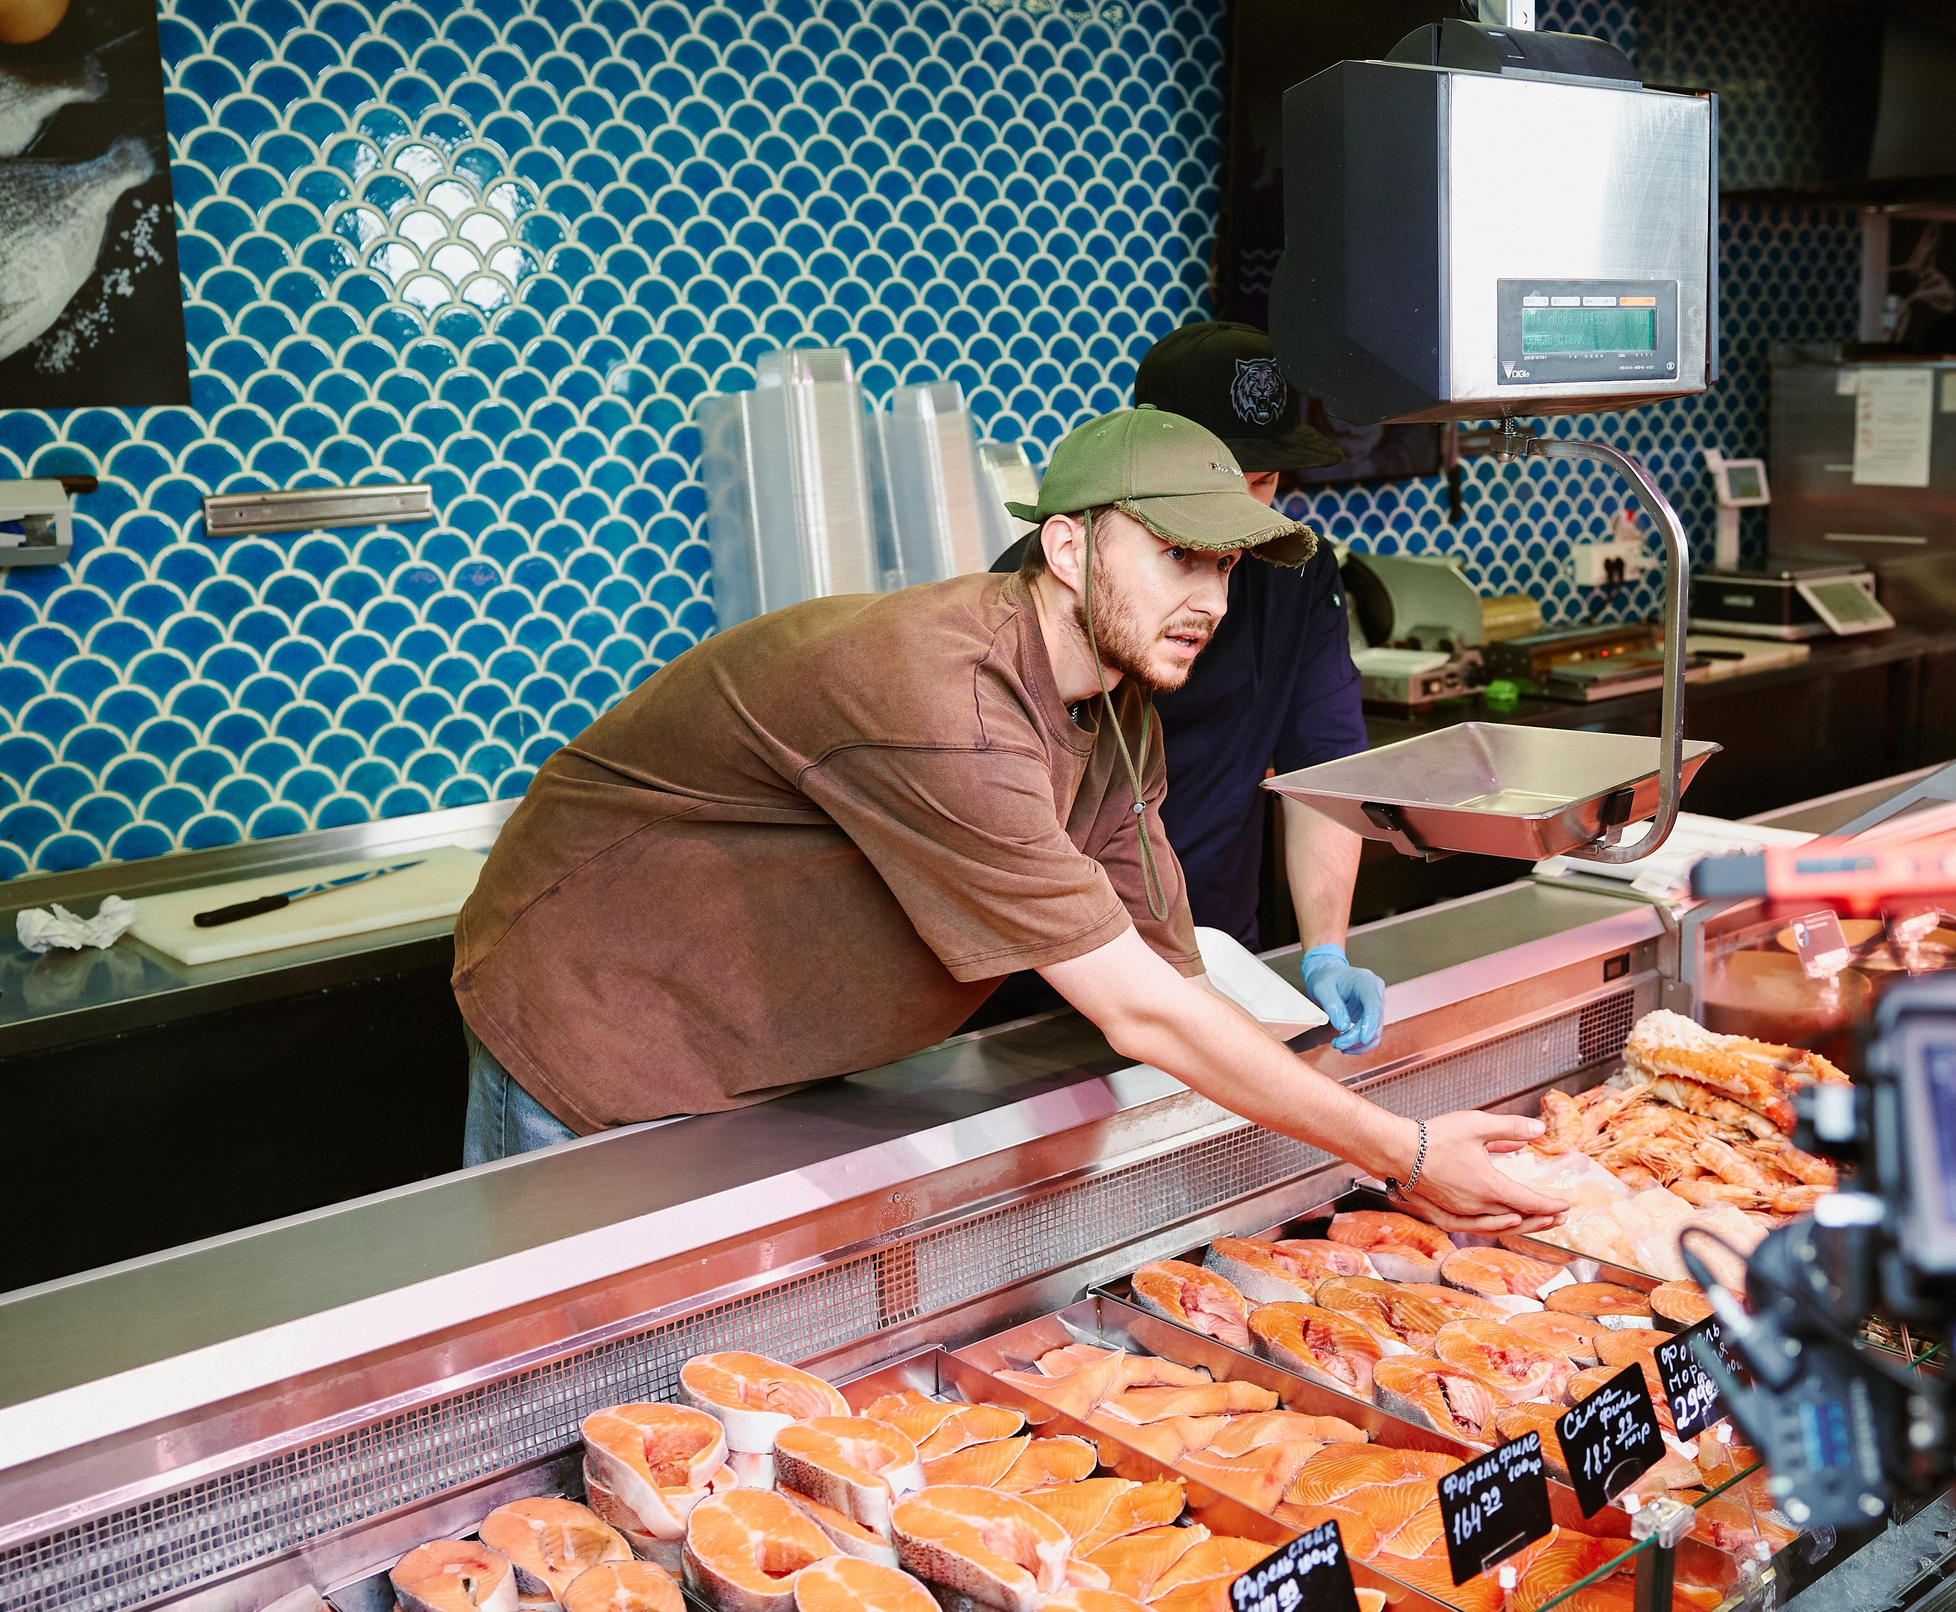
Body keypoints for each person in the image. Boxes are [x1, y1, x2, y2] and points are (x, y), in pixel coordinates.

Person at [453, 405, 1564, 1233]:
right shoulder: (945, 697)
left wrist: (1336, 1130)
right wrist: (1401, 1151)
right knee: (598, 1382)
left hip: (766, 1045)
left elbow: (1170, 967)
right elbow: (1144, 1017)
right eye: (1178, 557)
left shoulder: (1118, 698)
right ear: (1069, 548)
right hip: (601, 1038)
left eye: (1225, 567)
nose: (1214, 603)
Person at [991, 322, 1387, 1050]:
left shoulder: (1297, 574)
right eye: (1218, 489)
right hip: (1051, 983)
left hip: (1220, 959)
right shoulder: (1044, 593)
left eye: (1263, 486)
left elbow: (1325, 774)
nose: (1235, 537)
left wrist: (1324, 948)